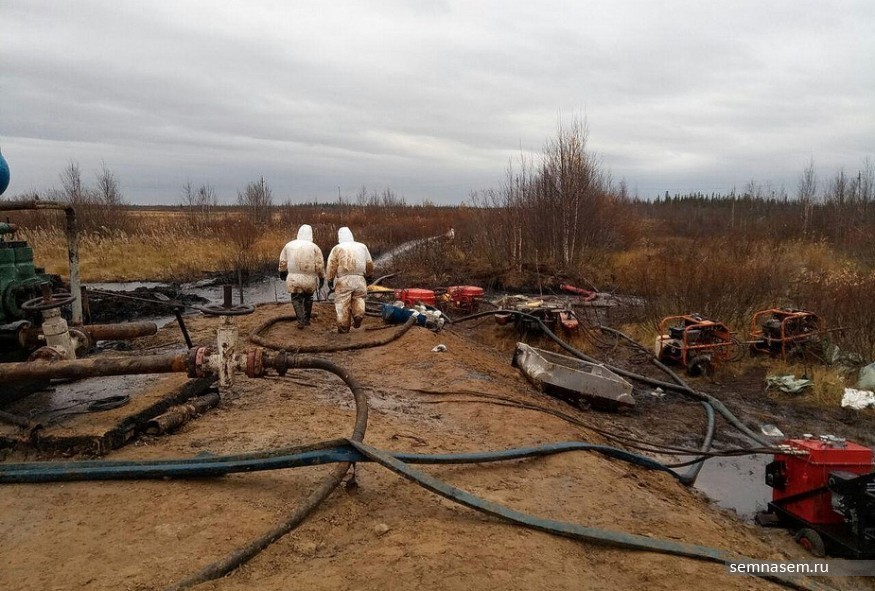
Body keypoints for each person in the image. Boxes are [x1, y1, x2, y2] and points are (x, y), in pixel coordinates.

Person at [325, 226, 373, 333]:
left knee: (342, 304)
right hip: (359, 279)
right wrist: (369, 276)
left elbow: (331, 265)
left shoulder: (337, 248)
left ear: (339, 237)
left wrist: (329, 279)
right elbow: (369, 263)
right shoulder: (362, 246)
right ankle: (358, 314)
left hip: (344, 280)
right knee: (359, 298)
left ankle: (343, 328)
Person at [278, 224, 324, 329]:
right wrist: (321, 277)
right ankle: (307, 320)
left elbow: (283, 261)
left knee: (296, 298)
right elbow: (320, 265)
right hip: (309, 278)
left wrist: (282, 272)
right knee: (309, 297)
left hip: (294, 278)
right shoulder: (314, 247)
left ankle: (300, 320)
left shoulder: (289, 245)